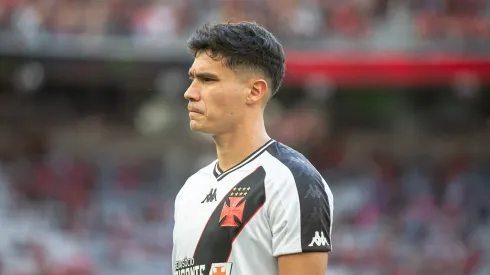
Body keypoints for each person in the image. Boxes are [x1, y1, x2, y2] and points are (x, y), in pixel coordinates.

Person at [172, 21, 334, 275]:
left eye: (207, 80)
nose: (190, 93)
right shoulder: (190, 189)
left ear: (255, 91)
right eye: (193, 79)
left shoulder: (293, 182)